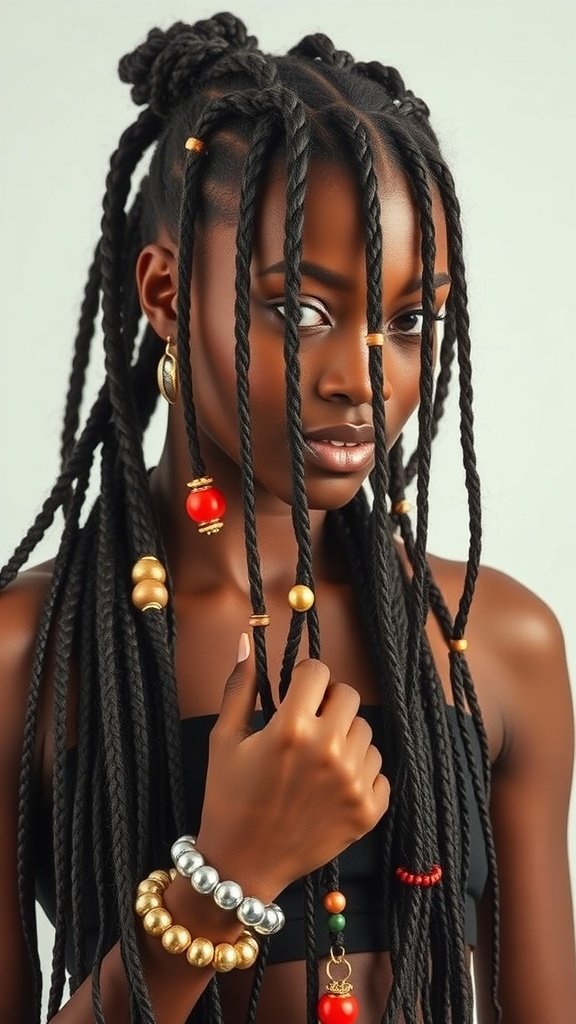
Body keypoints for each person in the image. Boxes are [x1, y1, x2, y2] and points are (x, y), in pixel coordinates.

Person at [0, 11, 574, 1023]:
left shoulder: (501, 644)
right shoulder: (27, 660)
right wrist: (226, 874)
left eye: (408, 321)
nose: (361, 377)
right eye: (300, 310)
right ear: (168, 294)